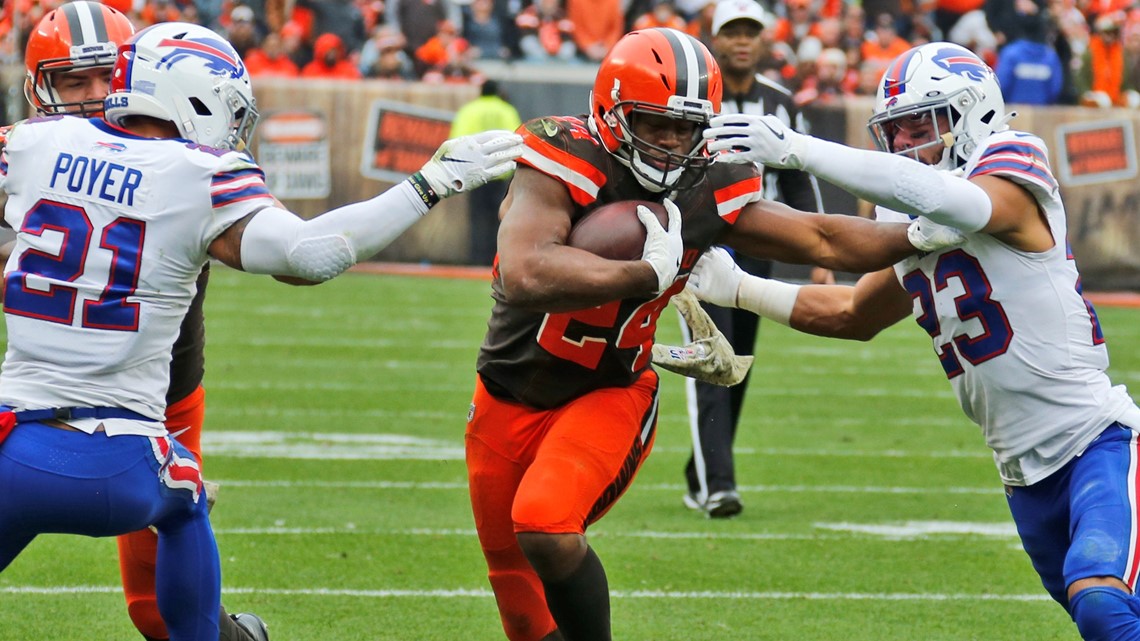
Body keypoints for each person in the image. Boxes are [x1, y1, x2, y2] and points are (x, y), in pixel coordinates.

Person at [0, 19, 521, 641]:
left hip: (12, 441)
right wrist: (429, 184)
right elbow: (309, 255)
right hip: (121, 458)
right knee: (185, 498)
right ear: (197, 98)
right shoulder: (198, 174)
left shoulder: (35, 144)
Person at [465, 27, 965, 641]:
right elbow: (524, 273)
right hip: (504, 393)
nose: (674, 143)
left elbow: (821, 237)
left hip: (608, 391)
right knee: (518, 604)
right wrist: (647, 273)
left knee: (545, 527)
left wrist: (923, 235)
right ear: (611, 111)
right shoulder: (559, 157)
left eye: (687, 126)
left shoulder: (708, 183)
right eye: (655, 124)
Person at [693, 41, 1140, 640]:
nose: (904, 144)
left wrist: (798, 149)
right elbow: (851, 310)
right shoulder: (922, 226)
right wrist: (739, 288)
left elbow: (953, 199)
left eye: (918, 125)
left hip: (1097, 444)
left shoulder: (1012, 162)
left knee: (1101, 600)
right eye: (894, 131)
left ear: (971, 111)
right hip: (1023, 478)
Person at [17, 4, 266, 640]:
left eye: (107, 77)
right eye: (74, 82)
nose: (97, 96)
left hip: (155, 403)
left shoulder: (184, 161)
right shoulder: (34, 155)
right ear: (38, 90)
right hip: (37, 399)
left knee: (155, 611)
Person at [676, 0, 828, 519]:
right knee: (708, 362)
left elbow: (798, 178)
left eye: (751, 32)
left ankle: (702, 474)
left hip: (756, 254)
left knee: (737, 367)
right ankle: (717, 485)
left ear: (763, 40)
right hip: (700, 250)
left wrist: (817, 251)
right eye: (732, 32)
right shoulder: (693, 100)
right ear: (714, 39)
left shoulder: (781, 103)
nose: (742, 41)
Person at [449, 79, 522, 265]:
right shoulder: (506, 110)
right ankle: (498, 257)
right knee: (501, 216)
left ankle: (477, 258)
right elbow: (517, 140)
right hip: (500, 173)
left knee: (477, 218)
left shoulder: (469, 110)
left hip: (474, 174)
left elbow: (456, 141)